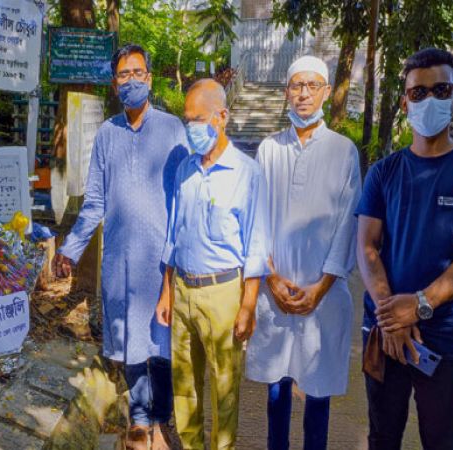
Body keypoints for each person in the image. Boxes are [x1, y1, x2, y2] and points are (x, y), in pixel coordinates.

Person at [355, 47, 453, 450]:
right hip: (386, 334)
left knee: (443, 440)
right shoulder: (383, 172)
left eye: (440, 90)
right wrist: (393, 316)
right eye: (418, 92)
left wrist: (420, 304)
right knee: (382, 437)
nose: (429, 99)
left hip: (446, 337)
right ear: (405, 102)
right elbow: (367, 246)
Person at [52, 44, 188, 450]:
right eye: (123, 75)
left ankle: (162, 422)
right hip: (120, 261)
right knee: (130, 340)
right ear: (115, 84)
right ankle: (140, 419)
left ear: (150, 78)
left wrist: (179, 256)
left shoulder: (173, 130)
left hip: (161, 262)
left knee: (160, 344)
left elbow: (184, 197)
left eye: (137, 72)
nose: (131, 81)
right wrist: (70, 249)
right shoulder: (107, 134)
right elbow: (95, 200)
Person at [245, 55, 362, 450]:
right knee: (276, 393)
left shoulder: (344, 152)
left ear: (326, 92)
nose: (304, 94)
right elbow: (256, 219)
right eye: (297, 85)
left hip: (322, 297)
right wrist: (271, 278)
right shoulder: (269, 149)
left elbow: (348, 223)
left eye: (313, 86)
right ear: (286, 93)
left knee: (317, 394)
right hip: (276, 291)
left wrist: (321, 286)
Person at [155, 78, 270, 450]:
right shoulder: (185, 170)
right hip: (183, 290)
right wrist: (166, 292)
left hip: (223, 293)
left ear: (222, 117)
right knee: (184, 386)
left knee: (224, 388)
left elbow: (256, 243)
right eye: (187, 119)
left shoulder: (247, 173)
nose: (192, 127)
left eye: (198, 119)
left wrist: (248, 306)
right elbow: (174, 234)